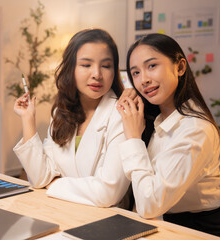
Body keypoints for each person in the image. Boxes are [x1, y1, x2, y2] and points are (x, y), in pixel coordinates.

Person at [117, 33, 220, 239]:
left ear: (179, 67)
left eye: (152, 66)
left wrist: (133, 138)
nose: (143, 79)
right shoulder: (157, 119)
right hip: (175, 223)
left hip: (216, 229)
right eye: (135, 72)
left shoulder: (195, 129)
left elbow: (149, 204)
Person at [13, 28, 131, 208]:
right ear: (71, 69)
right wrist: (28, 119)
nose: (97, 74)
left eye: (106, 66)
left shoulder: (122, 114)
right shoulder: (62, 111)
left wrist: (54, 184)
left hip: (106, 222)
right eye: (86, 65)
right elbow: (39, 177)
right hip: (64, 210)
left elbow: (108, 193)